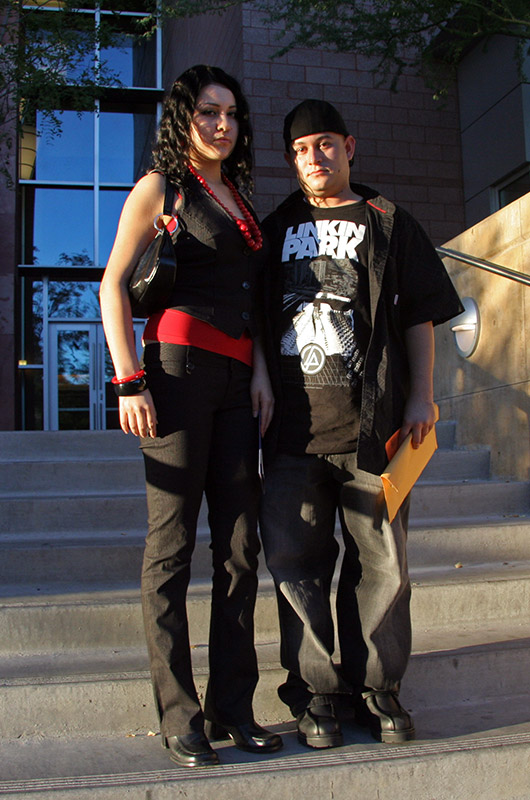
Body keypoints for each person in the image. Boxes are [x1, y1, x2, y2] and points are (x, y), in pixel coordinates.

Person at [260, 99, 463, 749]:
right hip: (293, 432)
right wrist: (260, 381)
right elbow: (255, 325)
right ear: (290, 160)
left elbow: (420, 315)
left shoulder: (388, 221)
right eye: (299, 150)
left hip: (375, 428)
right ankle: (317, 690)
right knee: (297, 563)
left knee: (382, 565)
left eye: (324, 144)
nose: (313, 158)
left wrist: (422, 396)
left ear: (349, 147)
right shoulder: (274, 229)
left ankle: (378, 685)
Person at [100, 64, 282, 767]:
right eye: (209, 112)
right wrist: (128, 382)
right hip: (174, 377)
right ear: (184, 116)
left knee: (240, 550)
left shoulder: (236, 195)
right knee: (171, 549)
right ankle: (181, 715)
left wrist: (260, 372)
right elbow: (113, 284)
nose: (223, 125)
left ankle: (233, 707)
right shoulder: (161, 188)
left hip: (238, 382)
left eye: (232, 115)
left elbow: (250, 300)